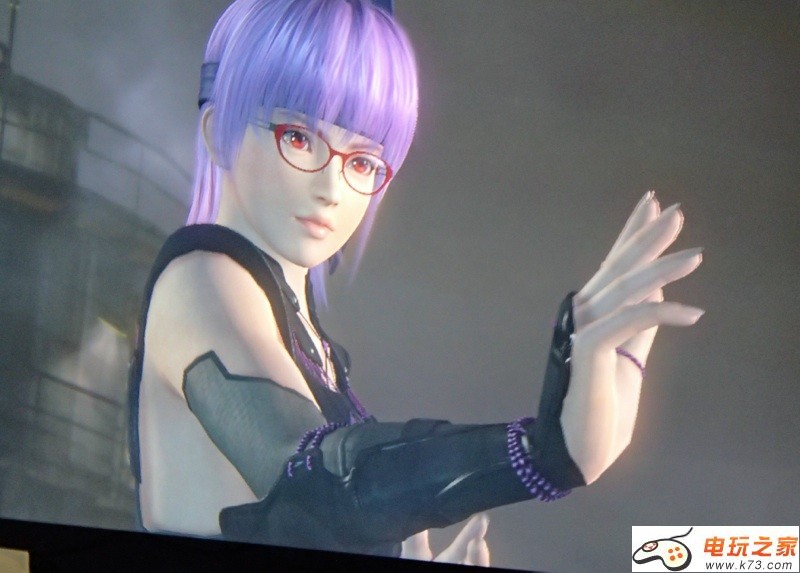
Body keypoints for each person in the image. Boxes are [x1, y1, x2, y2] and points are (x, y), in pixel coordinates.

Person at [128, 0, 704, 565]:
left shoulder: (307, 340)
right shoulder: (201, 276)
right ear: (217, 130)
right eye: (298, 137)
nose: (331, 188)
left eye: (362, 161)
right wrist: (540, 454)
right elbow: (313, 478)